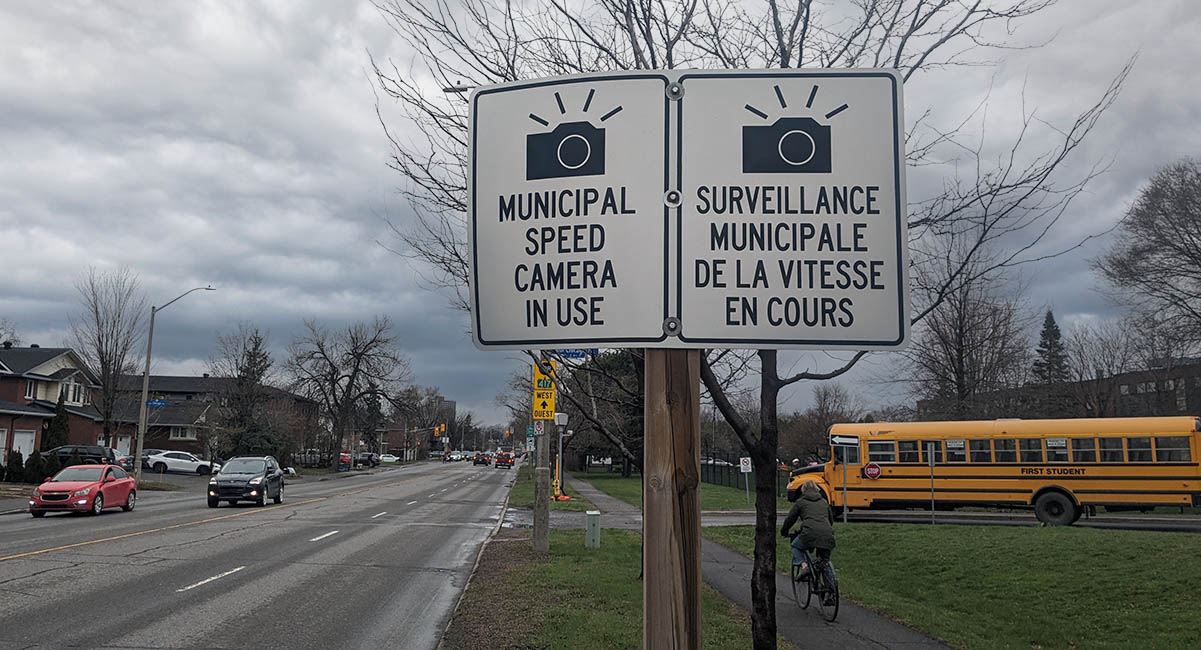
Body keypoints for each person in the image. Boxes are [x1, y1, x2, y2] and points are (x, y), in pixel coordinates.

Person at [780, 480, 837, 604]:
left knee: (795, 545)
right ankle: (830, 592)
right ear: (816, 489)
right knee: (825, 561)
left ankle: (804, 566)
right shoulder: (824, 502)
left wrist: (784, 531)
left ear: (803, 490)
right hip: (827, 534)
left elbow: (790, 519)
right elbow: (830, 520)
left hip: (809, 534)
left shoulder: (800, 502)